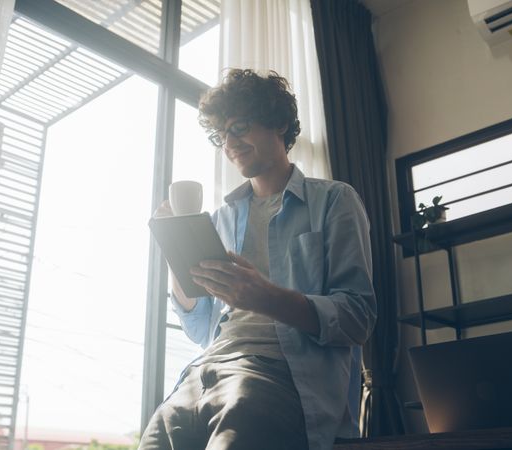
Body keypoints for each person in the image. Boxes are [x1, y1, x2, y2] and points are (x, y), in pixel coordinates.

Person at [140, 69, 376, 450]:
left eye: (240, 127)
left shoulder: (333, 201)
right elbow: (200, 327)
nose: (229, 143)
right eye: (221, 135)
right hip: (201, 374)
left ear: (280, 123)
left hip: (279, 374)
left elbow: (358, 317)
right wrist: (175, 252)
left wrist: (264, 296)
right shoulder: (219, 220)